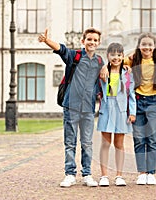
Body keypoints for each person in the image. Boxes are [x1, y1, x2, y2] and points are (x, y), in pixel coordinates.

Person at [38, 27, 104, 187]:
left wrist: (107, 68)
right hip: (71, 106)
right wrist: (47, 41)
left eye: (95, 40)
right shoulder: (75, 56)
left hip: (88, 108)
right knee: (70, 142)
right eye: (89, 39)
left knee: (87, 143)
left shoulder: (100, 61)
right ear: (83, 41)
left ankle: (87, 174)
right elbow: (61, 49)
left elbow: (114, 67)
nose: (92, 42)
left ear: (99, 43)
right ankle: (70, 174)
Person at [123, 32, 156, 185]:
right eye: (143, 44)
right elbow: (116, 62)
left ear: (154, 46)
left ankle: (151, 172)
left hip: (154, 101)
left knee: (152, 138)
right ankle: (142, 172)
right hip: (138, 101)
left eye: (150, 44)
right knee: (139, 138)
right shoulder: (133, 59)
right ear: (139, 46)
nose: (147, 47)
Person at [97, 43, 136, 186]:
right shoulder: (103, 72)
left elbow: (131, 95)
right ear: (108, 56)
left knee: (119, 144)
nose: (116, 57)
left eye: (119, 55)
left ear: (123, 56)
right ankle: (104, 176)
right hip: (107, 110)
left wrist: (132, 113)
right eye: (113, 54)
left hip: (121, 111)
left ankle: (119, 175)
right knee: (105, 144)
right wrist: (102, 68)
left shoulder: (127, 73)